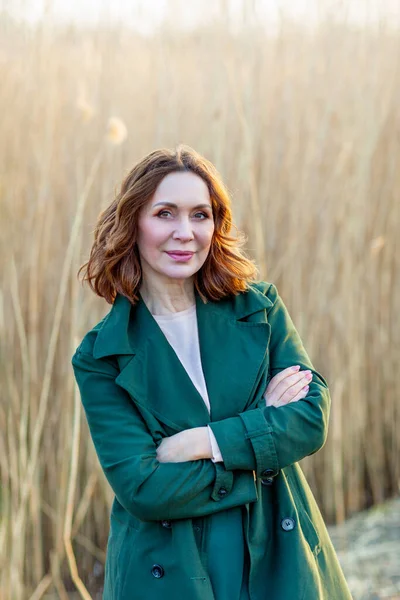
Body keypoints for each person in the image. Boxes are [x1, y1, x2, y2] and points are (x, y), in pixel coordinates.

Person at [71, 144, 353, 599]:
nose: (185, 232)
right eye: (165, 213)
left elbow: (309, 420)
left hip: (278, 556)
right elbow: (143, 487)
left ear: (216, 225)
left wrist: (204, 443)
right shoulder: (102, 355)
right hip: (169, 570)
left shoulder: (259, 308)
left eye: (200, 215)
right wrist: (261, 447)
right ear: (133, 224)